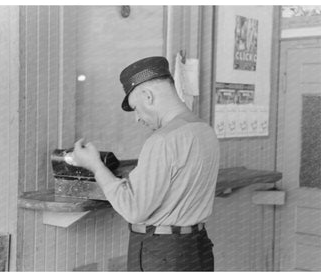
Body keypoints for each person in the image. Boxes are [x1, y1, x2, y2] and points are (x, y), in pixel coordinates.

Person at [71, 56, 220, 271]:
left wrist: (96, 166)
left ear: (148, 96)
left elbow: (134, 210)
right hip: (197, 248)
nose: (137, 118)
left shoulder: (162, 140)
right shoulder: (204, 131)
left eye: (136, 108)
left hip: (164, 254)